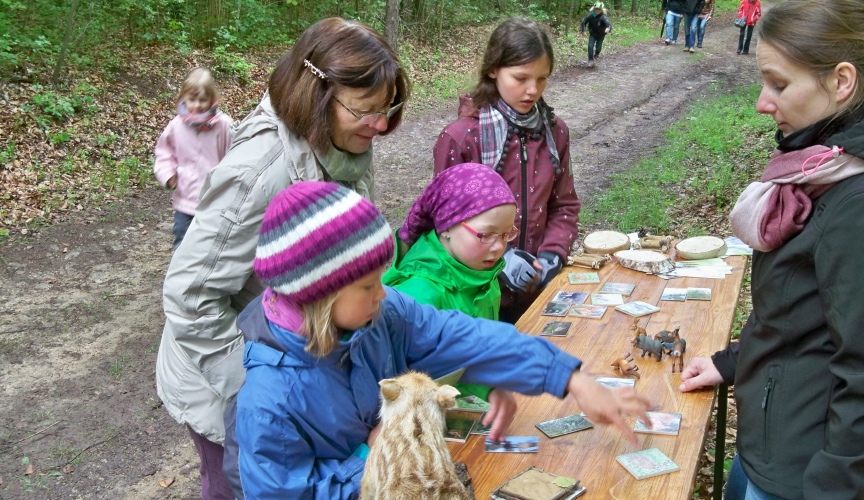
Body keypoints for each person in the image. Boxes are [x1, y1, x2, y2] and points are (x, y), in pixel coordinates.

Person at [678, 1, 864, 499]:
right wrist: (732, 362)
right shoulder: (825, 168)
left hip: (807, 476)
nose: (764, 102)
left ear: (841, 82)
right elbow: (798, 313)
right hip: (773, 446)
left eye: (779, 84)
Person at [227, 181, 652, 498]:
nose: (385, 290)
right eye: (368, 285)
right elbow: (284, 493)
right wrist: (377, 456)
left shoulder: (384, 313)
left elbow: (468, 337)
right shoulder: (269, 400)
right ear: (319, 293)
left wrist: (570, 377)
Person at [154, 18, 408, 500]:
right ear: (318, 95)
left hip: (304, 367)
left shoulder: (340, 141)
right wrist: (261, 392)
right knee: (241, 486)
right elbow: (189, 296)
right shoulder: (259, 174)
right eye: (367, 110)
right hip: (230, 378)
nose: (380, 125)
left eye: (387, 108)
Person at [433, 17, 580, 324]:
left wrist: (553, 254)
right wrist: (500, 259)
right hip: (475, 300)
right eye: (520, 78)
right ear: (492, 69)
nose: (532, 90)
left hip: (537, 294)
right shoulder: (461, 138)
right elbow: (443, 225)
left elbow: (564, 204)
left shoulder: (555, 133)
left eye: (542, 79)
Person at [382, 163, 519, 432]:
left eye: (506, 234)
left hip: (474, 420)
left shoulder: (482, 275)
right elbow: (394, 388)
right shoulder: (418, 295)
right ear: (446, 226)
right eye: (486, 234)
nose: (499, 246)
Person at [153, 68, 232, 251]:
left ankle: (208, 276)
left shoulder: (224, 125)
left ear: (212, 99)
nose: (197, 105)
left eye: (203, 100)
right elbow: (164, 154)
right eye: (192, 100)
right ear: (184, 99)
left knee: (213, 243)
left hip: (215, 199)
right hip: (185, 199)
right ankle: (180, 276)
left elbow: (235, 154)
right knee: (182, 238)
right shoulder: (176, 126)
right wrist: (167, 174)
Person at [580, 2, 612, 68]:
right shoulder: (591, 15)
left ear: (602, 10)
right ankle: (590, 60)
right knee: (590, 46)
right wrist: (583, 30)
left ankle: (597, 53)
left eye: (599, 9)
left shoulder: (603, 17)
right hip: (593, 34)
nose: (597, 11)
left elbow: (608, 24)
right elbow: (583, 21)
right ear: (594, 9)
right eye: (596, 9)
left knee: (598, 48)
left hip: (601, 35)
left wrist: (608, 28)